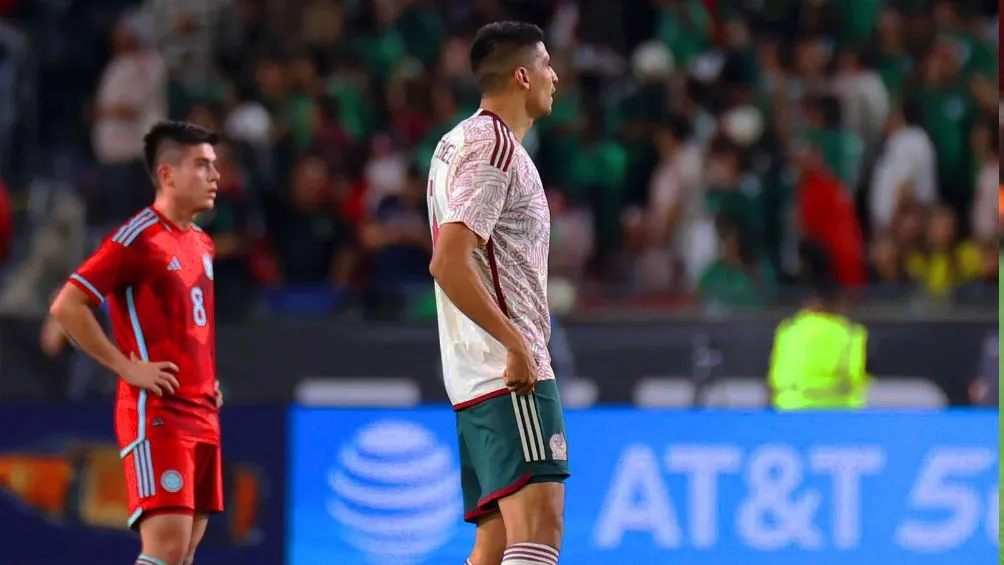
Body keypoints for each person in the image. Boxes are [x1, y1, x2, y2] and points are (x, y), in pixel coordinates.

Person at [49, 121, 223, 565]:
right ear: (167, 175)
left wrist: (207, 378)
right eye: (201, 166)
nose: (215, 176)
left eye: (214, 166)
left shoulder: (201, 242)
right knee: (164, 548)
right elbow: (69, 305)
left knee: (182, 554)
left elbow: (189, 324)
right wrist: (126, 366)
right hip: (158, 413)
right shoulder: (137, 238)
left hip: (201, 410)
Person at [426, 21, 567, 565]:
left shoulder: (454, 143)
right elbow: (448, 260)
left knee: (495, 544)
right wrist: (516, 344)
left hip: (473, 374)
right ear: (522, 75)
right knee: (539, 532)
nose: (556, 77)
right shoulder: (496, 149)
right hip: (506, 373)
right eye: (548, 65)